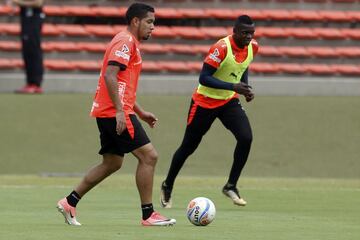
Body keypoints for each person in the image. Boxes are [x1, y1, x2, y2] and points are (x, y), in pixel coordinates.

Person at [57, 3, 176, 227]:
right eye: (149, 22)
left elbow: (122, 84)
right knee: (149, 157)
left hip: (111, 110)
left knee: (112, 162)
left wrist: (139, 112)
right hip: (114, 112)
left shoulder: (130, 43)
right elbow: (109, 76)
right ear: (135, 21)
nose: (153, 27)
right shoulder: (125, 41)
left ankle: (69, 202)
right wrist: (121, 112)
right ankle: (148, 215)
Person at [160, 15, 259, 208]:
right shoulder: (221, 48)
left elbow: (243, 66)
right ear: (235, 32)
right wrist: (233, 86)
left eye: (252, 33)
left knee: (246, 137)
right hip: (204, 102)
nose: (249, 37)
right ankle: (168, 185)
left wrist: (245, 88)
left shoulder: (253, 46)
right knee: (188, 146)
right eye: (245, 33)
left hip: (228, 101)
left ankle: (231, 185)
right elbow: (204, 78)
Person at [11, 0, 45, 94]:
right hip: (26, 17)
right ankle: (30, 82)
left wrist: (17, 2)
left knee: (33, 50)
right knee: (27, 51)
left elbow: (38, 3)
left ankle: (35, 83)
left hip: (33, 18)